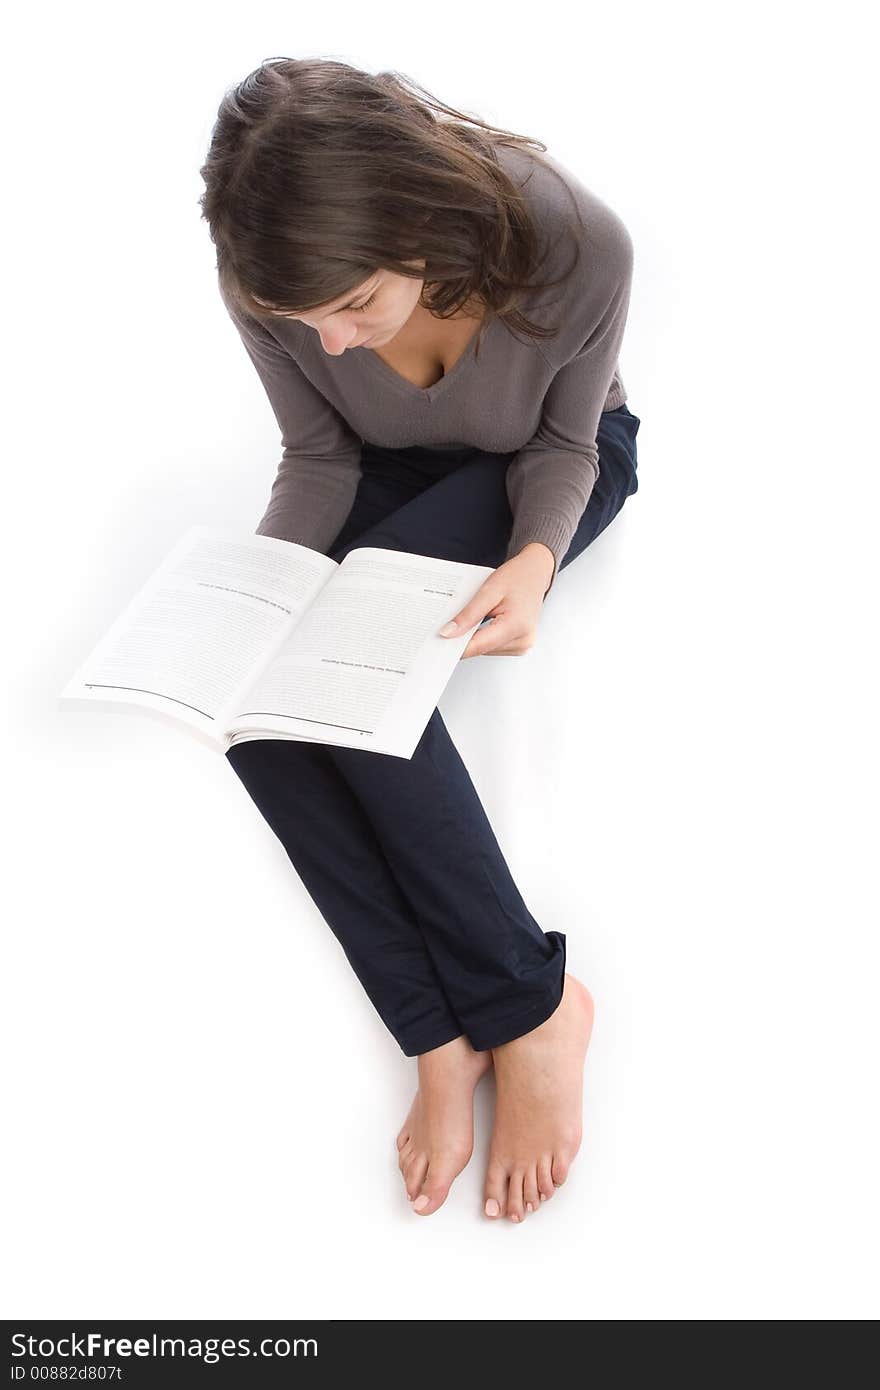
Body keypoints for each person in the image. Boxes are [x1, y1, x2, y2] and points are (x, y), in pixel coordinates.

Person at [199, 56, 641, 1223]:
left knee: (361, 681)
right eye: (306, 322)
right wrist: (266, 591)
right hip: (388, 474)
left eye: (355, 309)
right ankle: (437, 1034)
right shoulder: (277, 280)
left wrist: (535, 565)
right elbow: (322, 456)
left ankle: (534, 1008)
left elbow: (564, 448)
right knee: (261, 717)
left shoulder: (574, 240)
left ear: (419, 232)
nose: (332, 345)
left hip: (545, 467)